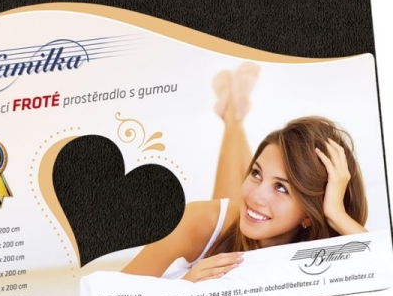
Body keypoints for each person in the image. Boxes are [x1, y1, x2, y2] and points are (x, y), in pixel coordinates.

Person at [121, 63, 368, 282]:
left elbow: (379, 262)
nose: (255, 195)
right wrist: (183, 289)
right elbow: (115, 293)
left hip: (249, 226)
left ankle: (233, 116)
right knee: (227, 214)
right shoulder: (196, 221)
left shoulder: (322, 248)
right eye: (256, 173)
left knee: (240, 212)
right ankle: (233, 117)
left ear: (310, 214)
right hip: (217, 225)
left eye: (281, 187)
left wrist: (336, 213)